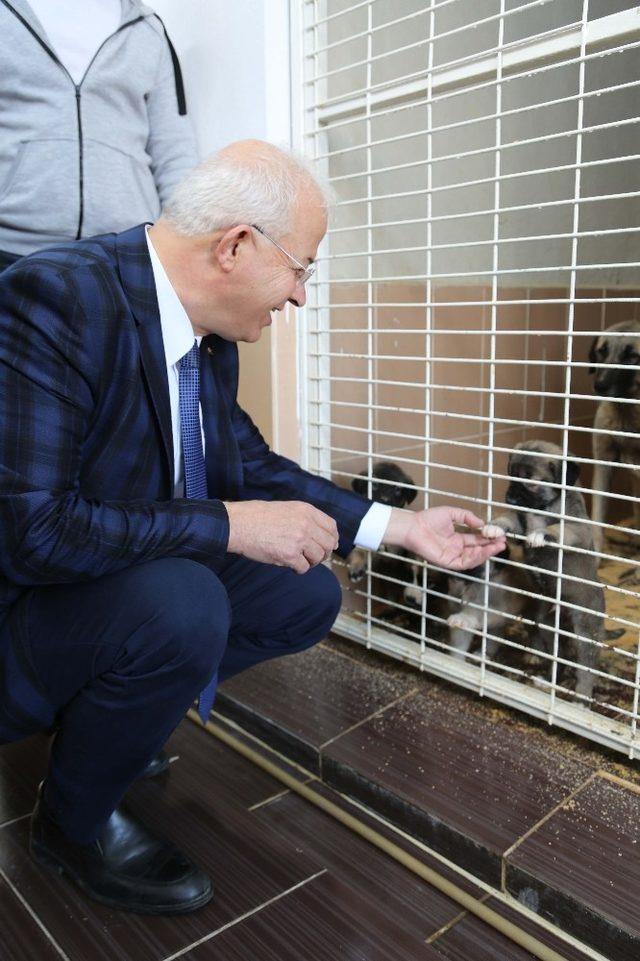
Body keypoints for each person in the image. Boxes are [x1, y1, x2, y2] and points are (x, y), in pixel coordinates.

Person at [0, 140, 506, 916]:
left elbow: (250, 464)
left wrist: (399, 526)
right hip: (24, 608)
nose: (301, 295)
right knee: (185, 603)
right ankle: (71, 823)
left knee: (302, 591)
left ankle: (107, 727)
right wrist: (228, 525)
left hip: (112, 581)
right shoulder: (56, 297)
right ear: (235, 245)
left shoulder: (205, 336)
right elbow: (34, 531)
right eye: (301, 267)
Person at [0, 0, 196, 270]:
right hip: (11, 250)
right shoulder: (6, 16)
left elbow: (175, 151)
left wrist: (179, 249)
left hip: (124, 255)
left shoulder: (147, 29)